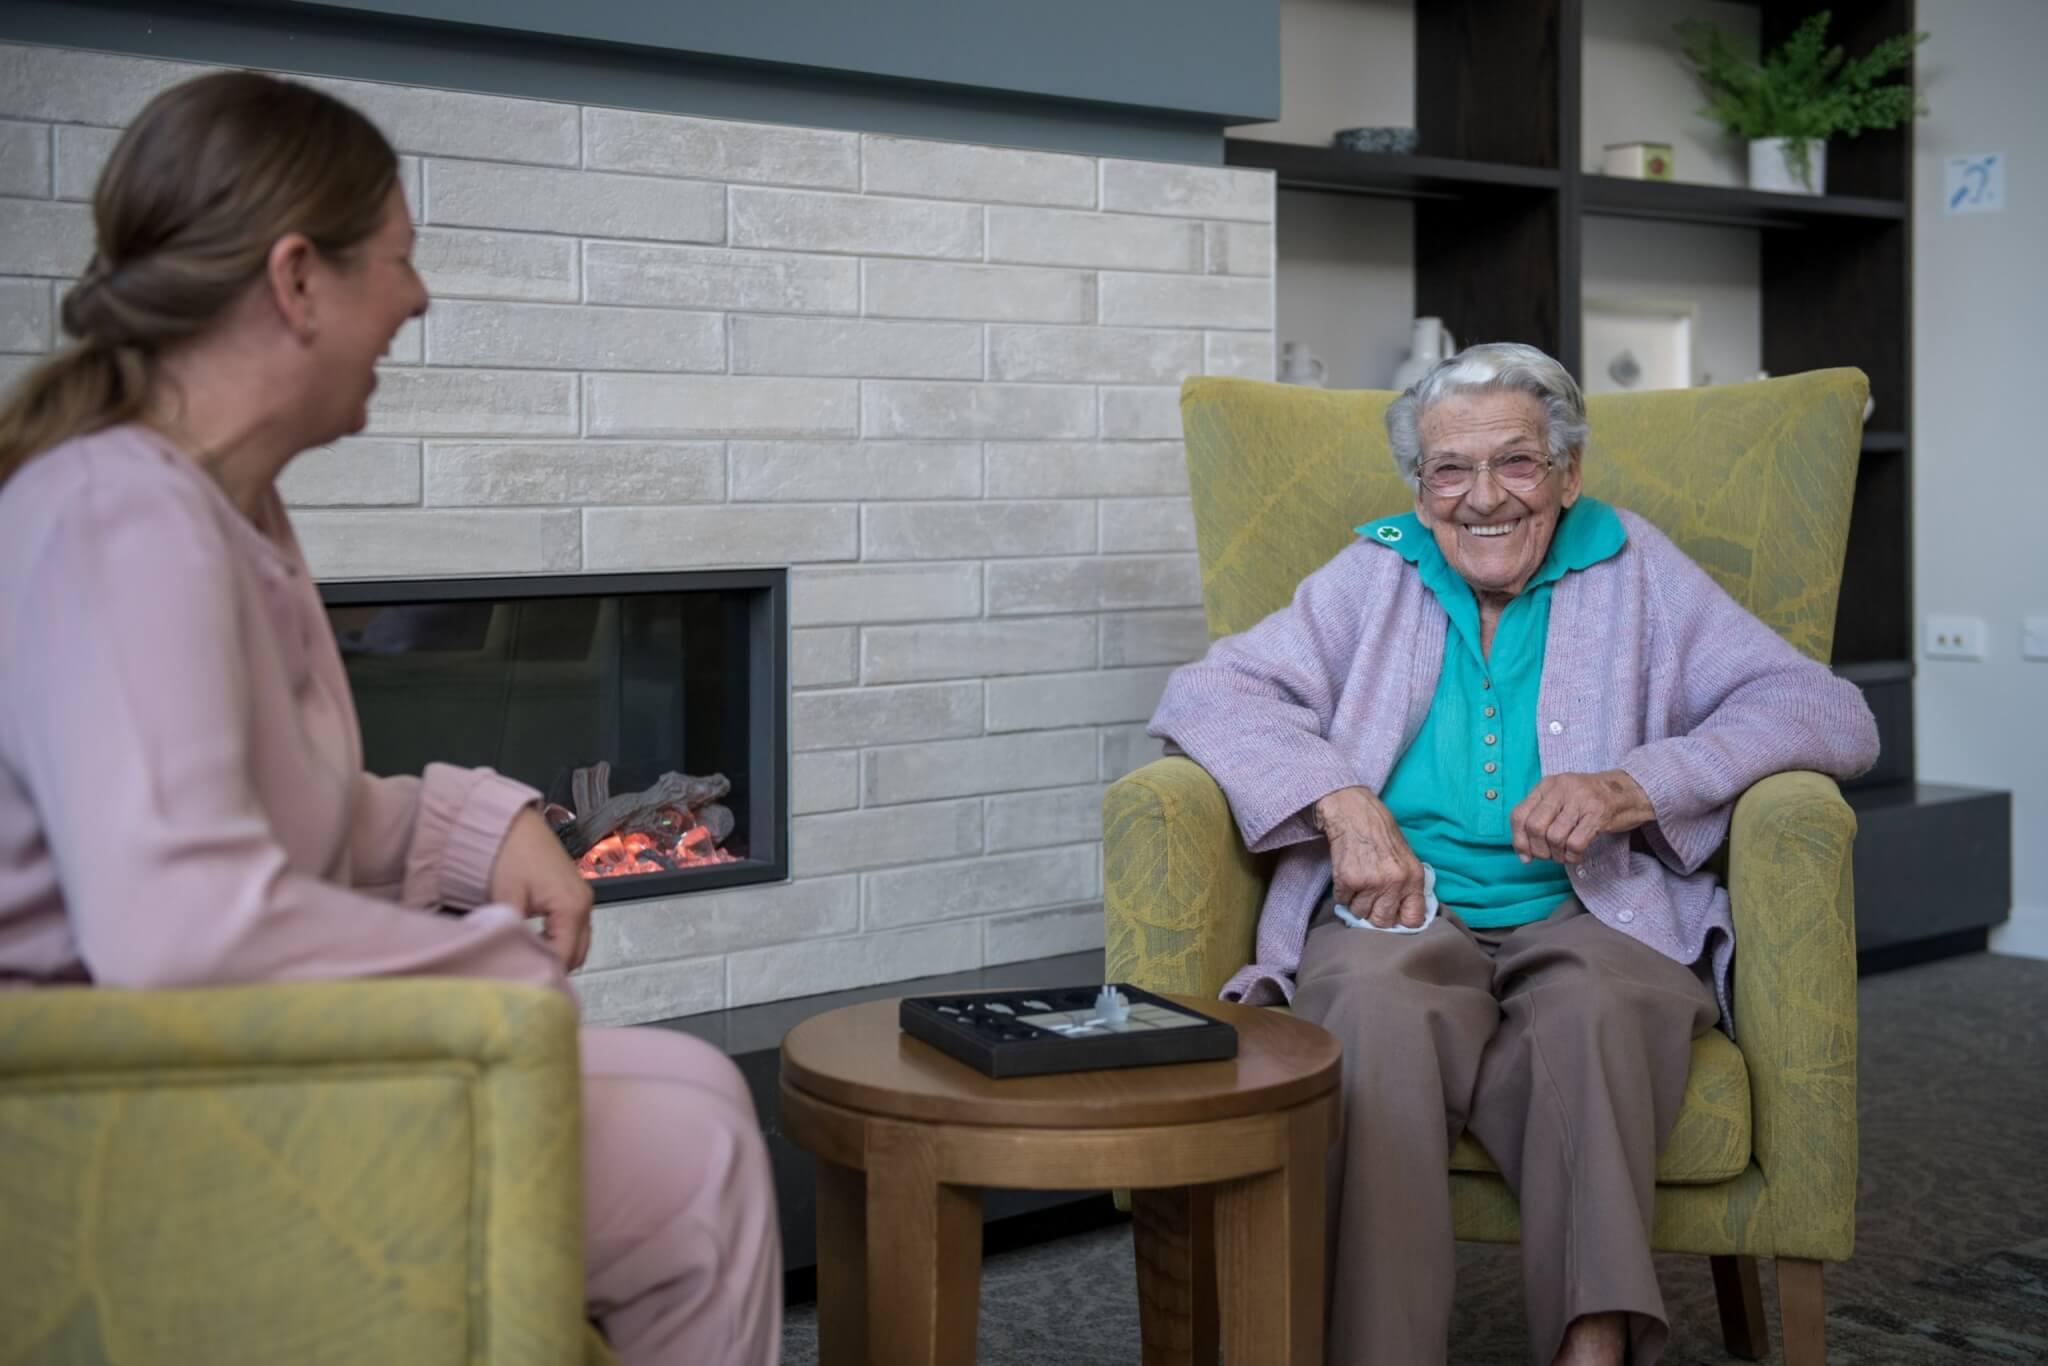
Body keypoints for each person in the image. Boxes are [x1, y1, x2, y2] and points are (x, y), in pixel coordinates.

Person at [0, 72, 779, 1365]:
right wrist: (496, 980)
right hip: (100, 1130)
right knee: (693, 1147)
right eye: (401, 260)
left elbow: (261, 808)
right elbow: (182, 923)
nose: (417, 299)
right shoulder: (114, 518)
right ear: (298, 279)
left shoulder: (219, 509)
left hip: (193, 1080)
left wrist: (481, 826)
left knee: (699, 1097)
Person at [1147, 342, 1879, 1366]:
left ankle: (1591, 1350)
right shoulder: (1378, 571)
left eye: (1516, 462)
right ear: (1420, 488)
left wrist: (1637, 783)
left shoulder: (1634, 568)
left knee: (1598, 1012)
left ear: (1566, 472)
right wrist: (1339, 801)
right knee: (1368, 1008)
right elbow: (1204, 693)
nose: (1483, 497)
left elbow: (1826, 712)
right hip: (1400, 908)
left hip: (1594, 907)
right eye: (1449, 469)